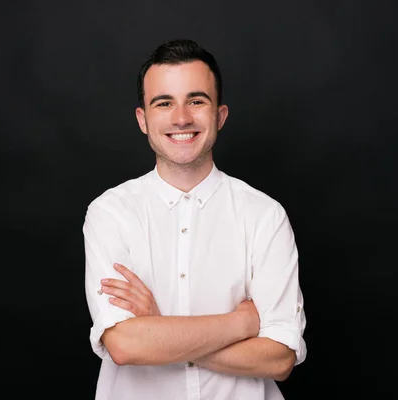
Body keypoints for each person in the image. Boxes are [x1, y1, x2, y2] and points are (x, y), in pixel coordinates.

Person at [83, 39, 307, 400]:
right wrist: (241, 324)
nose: (182, 117)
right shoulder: (110, 213)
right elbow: (125, 346)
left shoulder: (265, 215)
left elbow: (279, 357)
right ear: (143, 119)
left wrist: (156, 330)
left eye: (197, 101)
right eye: (164, 103)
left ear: (219, 114)